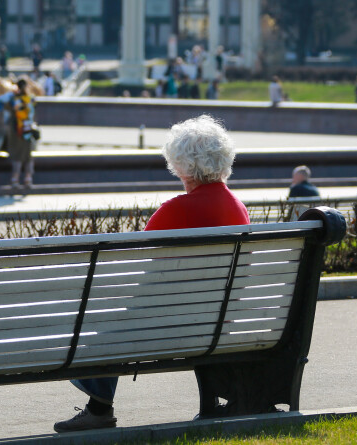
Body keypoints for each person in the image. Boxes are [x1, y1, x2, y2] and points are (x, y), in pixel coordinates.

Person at [54, 115, 250, 433]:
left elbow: (141, 269)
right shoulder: (237, 208)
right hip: (218, 321)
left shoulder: (174, 210)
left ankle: (99, 409)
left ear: (180, 164)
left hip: (168, 326)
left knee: (100, 329)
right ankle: (99, 409)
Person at [6, 79, 37, 188]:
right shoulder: (30, 99)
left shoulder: (14, 99)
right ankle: (28, 179)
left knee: (17, 155)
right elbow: (32, 113)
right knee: (28, 155)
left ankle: (15, 179)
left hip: (17, 130)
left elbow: (7, 108)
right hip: (28, 129)